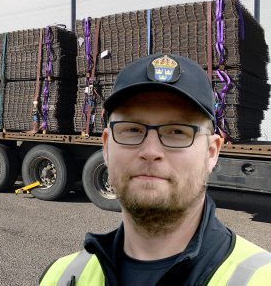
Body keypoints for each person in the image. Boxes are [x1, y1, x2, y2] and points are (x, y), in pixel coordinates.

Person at [39, 54, 271, 285]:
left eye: (178, 131)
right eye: (132, 129)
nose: (150, 150)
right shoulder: (60, 277)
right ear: (107, 147)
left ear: (211, 153)